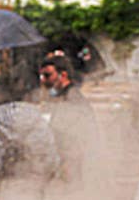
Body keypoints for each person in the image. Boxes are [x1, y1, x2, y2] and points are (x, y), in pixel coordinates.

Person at [35, 54, 100, 191]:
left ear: (62, 75)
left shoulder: (73, 98)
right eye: (41, 76)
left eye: (47, 75)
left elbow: (78, 136)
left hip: (74, 166)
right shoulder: (61, 98)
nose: (43, 80)